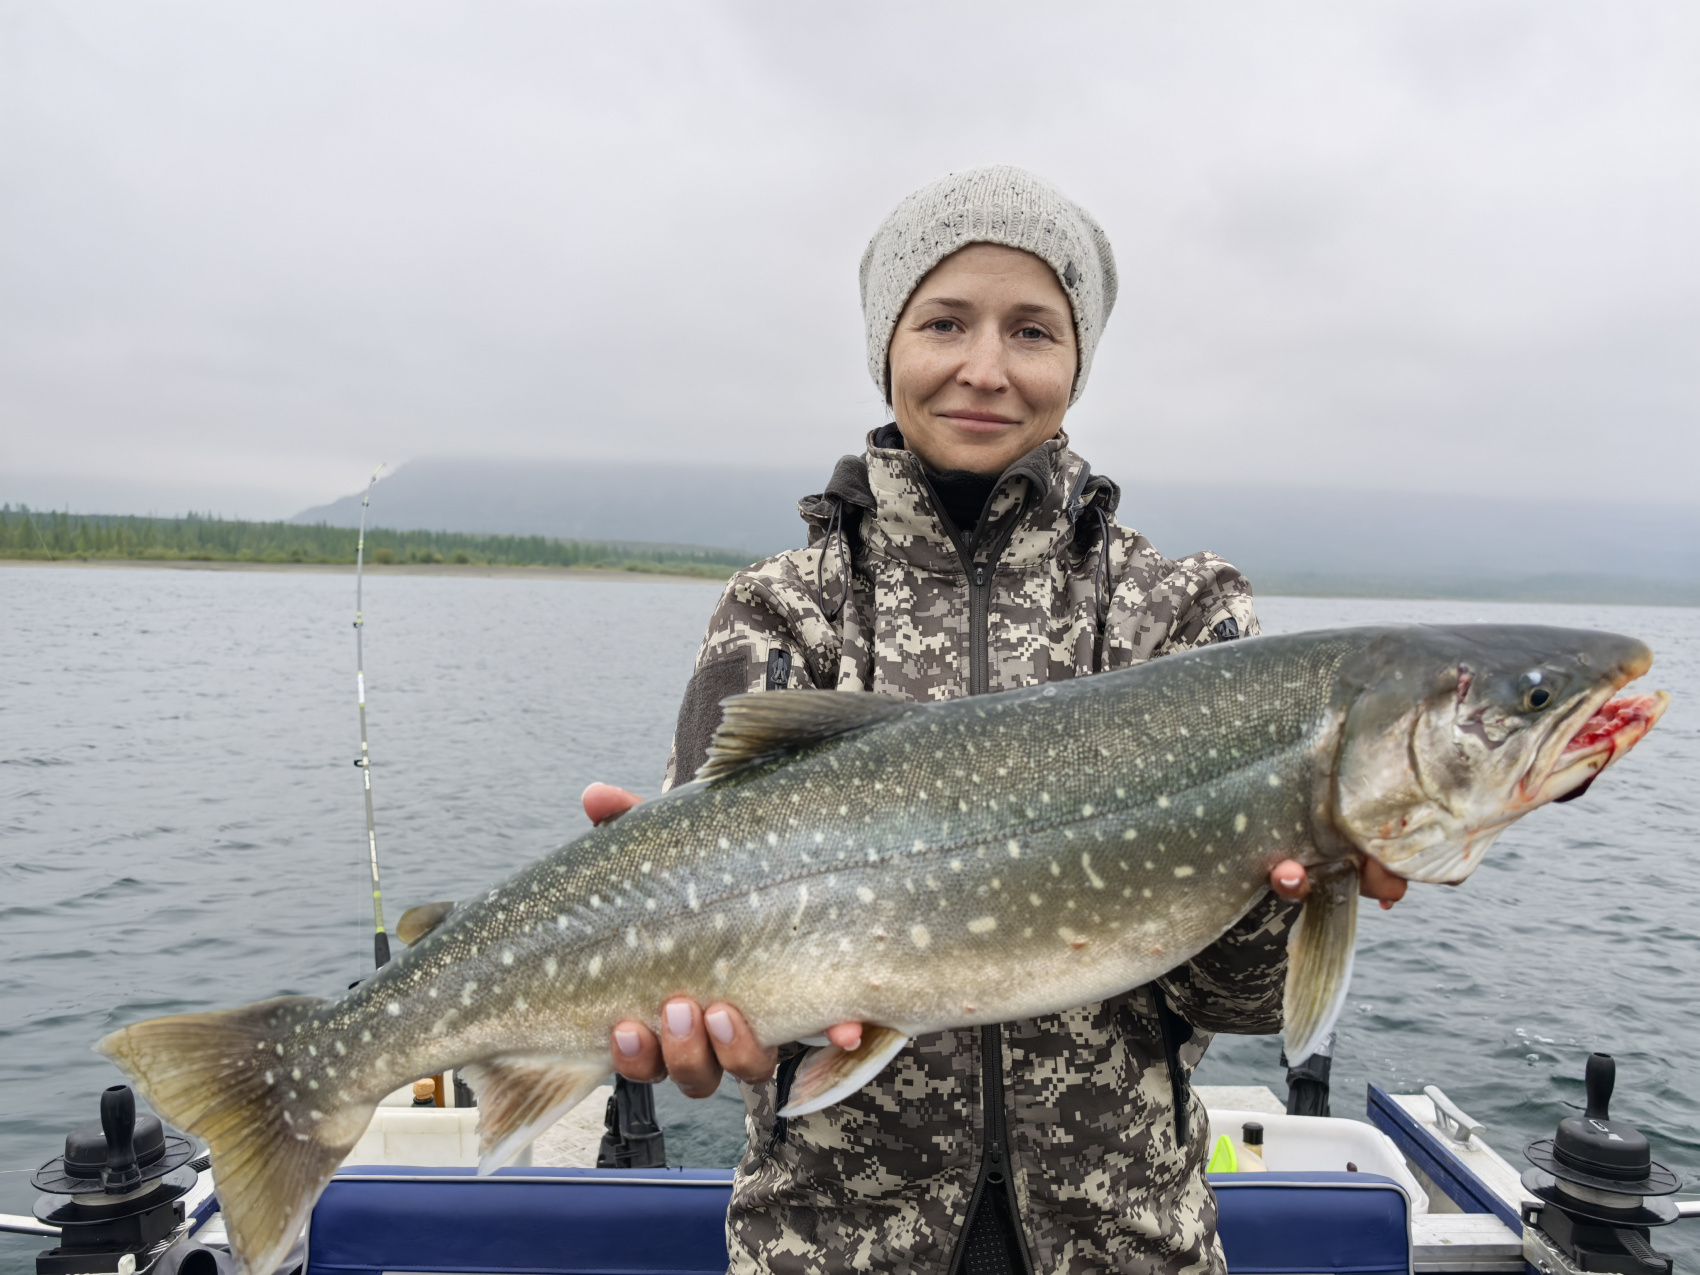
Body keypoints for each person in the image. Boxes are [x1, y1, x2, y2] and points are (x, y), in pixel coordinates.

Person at [583, 166, 1406, 1275]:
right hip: (826, 1245)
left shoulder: (1183, 617)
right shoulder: (782, 606)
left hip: (1128, 1241)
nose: (985, 368)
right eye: (943, 323)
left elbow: (1241, 1000)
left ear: (1075, 361)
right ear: (888, 347)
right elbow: (724, 1015)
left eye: (1031, 330)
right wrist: (691, 1005)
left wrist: (1316, 869)